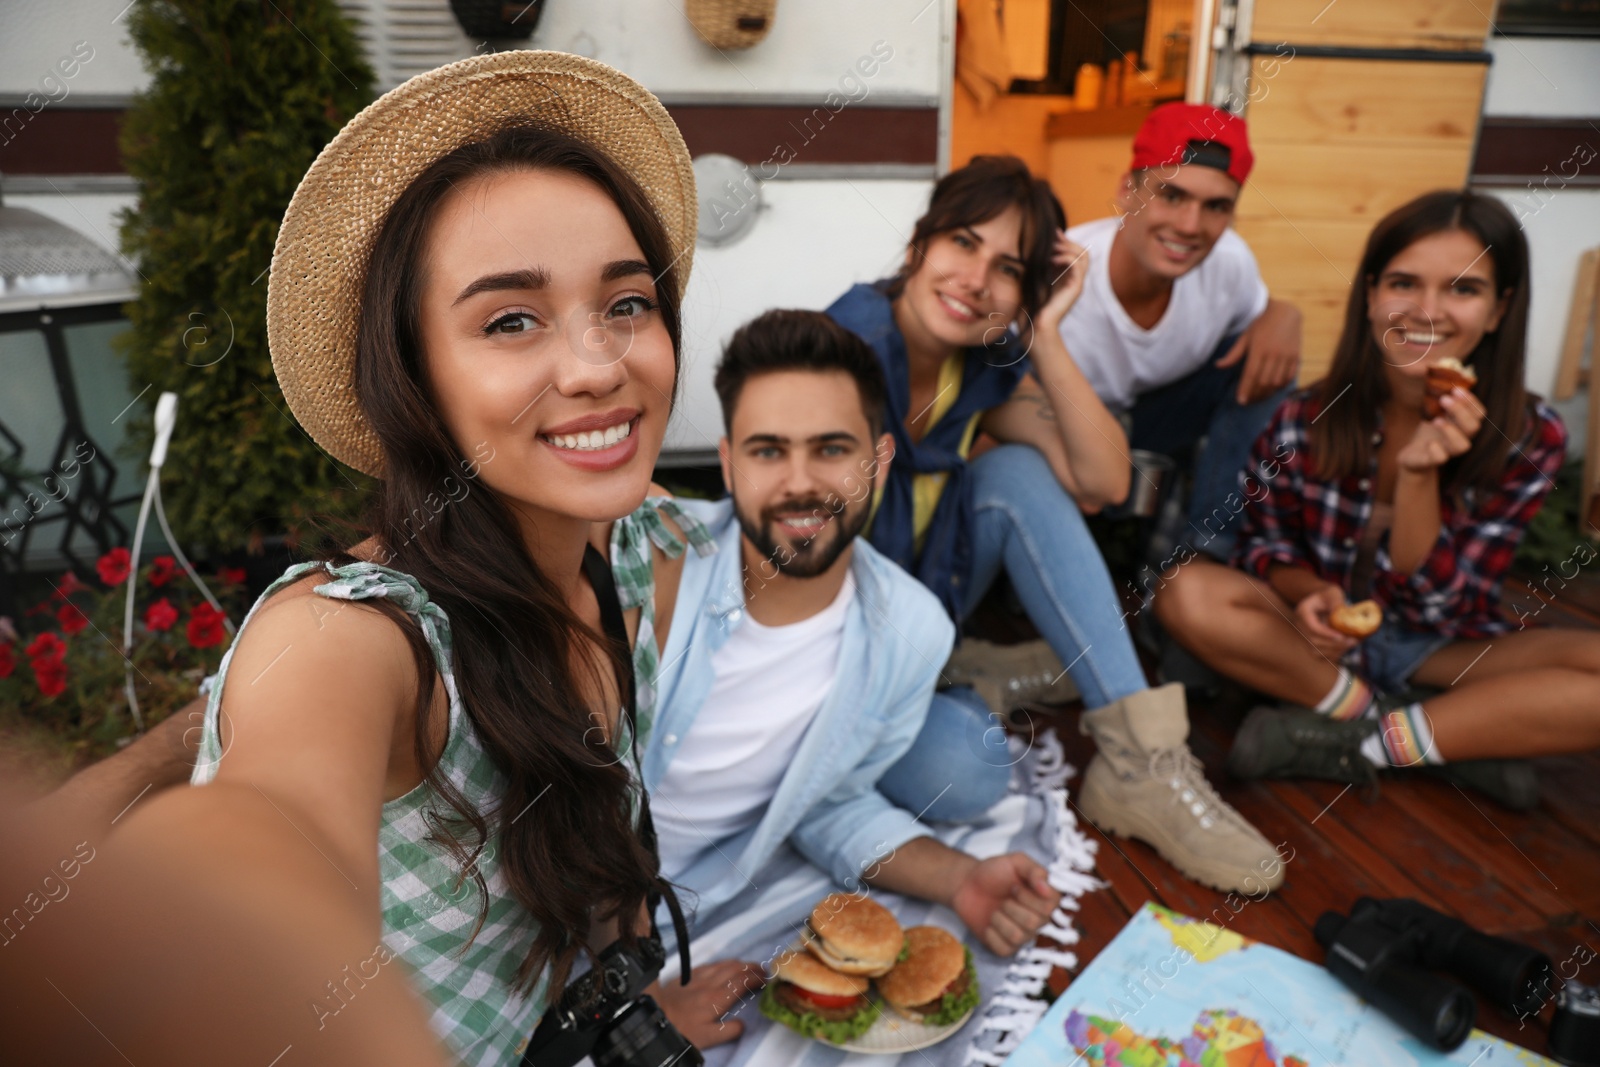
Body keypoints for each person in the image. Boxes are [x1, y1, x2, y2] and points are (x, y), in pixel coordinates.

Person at [48, 52, 705, 1066]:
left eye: (626, 302)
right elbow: (268, 835)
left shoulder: (625, 552)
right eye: (510, 319)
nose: (599, 365)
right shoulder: (351, 635)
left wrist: (631, 992)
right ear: (413, 375)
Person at [825, 155, 1287, 896]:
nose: (977, 279)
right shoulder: (842, 355)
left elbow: (1101, 481)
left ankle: (1143, 764)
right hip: (832, 665)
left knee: (1016, 474)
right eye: (963, 243)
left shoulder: (970, 366)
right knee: (972, 773)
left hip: (911, 609)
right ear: (919, 246)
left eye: (1007, 267)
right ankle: (964, 669)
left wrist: (1046, 333)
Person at [610, 310, 1066, 1047]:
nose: (800, 483)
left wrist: (958, 878)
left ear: (880, 460)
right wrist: (628, 1010)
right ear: (728, 464)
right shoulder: (650, 564)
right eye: (768, 450)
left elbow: (831, 802)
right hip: (570, 912)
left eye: (832, 449)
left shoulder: (911, 630)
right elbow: (545, 808)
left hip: (698, 907)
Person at [1152, 190, 1600, 809]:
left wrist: (1421, 475)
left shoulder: (1531, 435)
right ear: (1369, 295)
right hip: (1315, 644)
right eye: (1403, 283)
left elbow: (1446, 604)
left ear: (1498, 311)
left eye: (1463, 290)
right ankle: (1434, 734)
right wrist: (1308, 595)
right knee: (1184, 591)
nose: (1427, 311)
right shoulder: (1304, 419)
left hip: (1440, 648)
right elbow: (1267, 544)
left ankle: (1363, 742)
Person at [1060, 102, 1302, 560]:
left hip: (1153, 425)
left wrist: (1282, 315)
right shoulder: (1064, 274)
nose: (1190, 226)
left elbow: (1261, 324)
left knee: (1268, 362)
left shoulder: (1229, 262)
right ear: (1127, 190)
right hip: (1064, 436)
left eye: (1215, 207)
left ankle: (1205, 556)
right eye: (1170, 195)